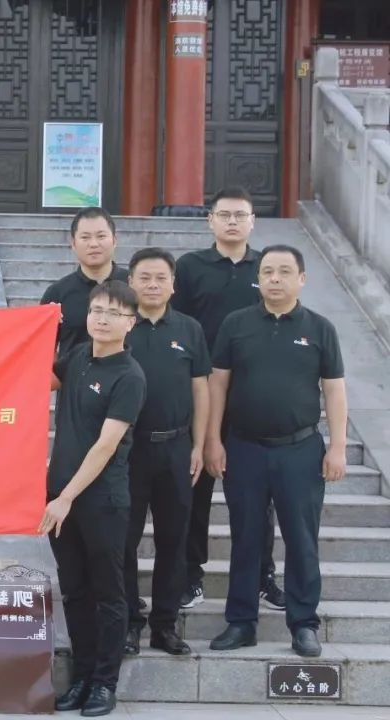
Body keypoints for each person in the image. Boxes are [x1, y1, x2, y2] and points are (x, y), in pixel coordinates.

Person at [206, 245, 347, 658]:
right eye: (268, 271)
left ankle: (304, 624)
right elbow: (217, 384)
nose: (275, 278)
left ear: (301, 279)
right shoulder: (236, 324)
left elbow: (334, 390)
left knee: (302, 539)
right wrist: (213, 439)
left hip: (300, 450)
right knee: (245, 537)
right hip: (244, 447)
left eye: (285, 271)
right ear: (259, 278)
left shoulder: (320, 328)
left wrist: (338, 446)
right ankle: (241, 621)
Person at [172, 186, 284, 611]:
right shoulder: (190, 267)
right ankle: (190, 574)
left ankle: (263, 575)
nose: (233, 221)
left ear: (253, 221)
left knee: (258, 495)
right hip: (198, 392)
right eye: (225, 215)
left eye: (241, 215)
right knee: (194, 490)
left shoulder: (267, 266)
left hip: (251, 396)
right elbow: (178, 323)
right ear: (211, 220)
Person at [39, 280, 146, 717]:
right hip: (60, 495)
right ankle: (82, 677)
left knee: (108, 594)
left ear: (130, 323)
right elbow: (40, 380)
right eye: (97, 310)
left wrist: (65, 497)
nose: (102, 319)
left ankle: (105, 683)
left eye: (114, 313)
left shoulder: (129, 376)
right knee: (74, 591)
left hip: (101, 500)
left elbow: (105, 446)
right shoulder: (79, 357)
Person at [122, 248, 210, 658]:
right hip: (128, 451)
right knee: (124, 541)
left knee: (173, 541)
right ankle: (129, 623)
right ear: (131, 282)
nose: (153, 285)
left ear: (173, 285)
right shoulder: (119, 326)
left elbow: (200, 389)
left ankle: (165, 625)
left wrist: (199, 444)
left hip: (176, 449)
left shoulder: (190, 329)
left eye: (161, 278)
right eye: (145, 277)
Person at [40, 207, 129, 358]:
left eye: (101, 236)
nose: (93, 244)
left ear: (114, 240)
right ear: (73, 244)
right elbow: (43, 349)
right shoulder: (57, 293)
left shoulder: (133, 285)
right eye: (85, 237)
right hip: (73, 372)